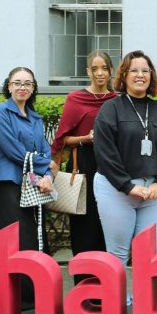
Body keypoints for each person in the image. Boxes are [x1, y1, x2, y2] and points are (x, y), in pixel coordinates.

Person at [93, 50, 157, 301]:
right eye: (134, 70)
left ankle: (143, 304)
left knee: (151, 254)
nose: (140, 75)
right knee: (118, 253)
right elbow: (105, 152)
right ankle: (117, 304)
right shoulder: (111, 109)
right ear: (124, 75)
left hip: (152, 191)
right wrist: (127, 186)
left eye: (145, 70)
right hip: (116, 190)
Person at [50, 50, 117, 285]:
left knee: (108, 224)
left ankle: (108, 286)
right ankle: (84, 286)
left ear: (111, 71)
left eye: (104, 68)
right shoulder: (76, 99)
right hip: (85, 165)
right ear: (88, 71)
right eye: (95, 68)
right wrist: (84, 139)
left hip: (111, 166)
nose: (100, 73)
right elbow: (61, 140)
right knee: (85, 226)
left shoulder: (117, 99)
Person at [0, 67, 52, 308]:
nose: (22, 87)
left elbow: (46, 150)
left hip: (36, 187)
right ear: (8, 86)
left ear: (34, 88)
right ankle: (17, 298)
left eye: (27, 83)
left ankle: (37, 295)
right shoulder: (0, 113)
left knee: (35, 238)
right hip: (11, 186)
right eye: (17, 83)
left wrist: (47, 174)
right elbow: (13, 150)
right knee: (15, 240)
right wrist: (47, 165)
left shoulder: (36, 118)